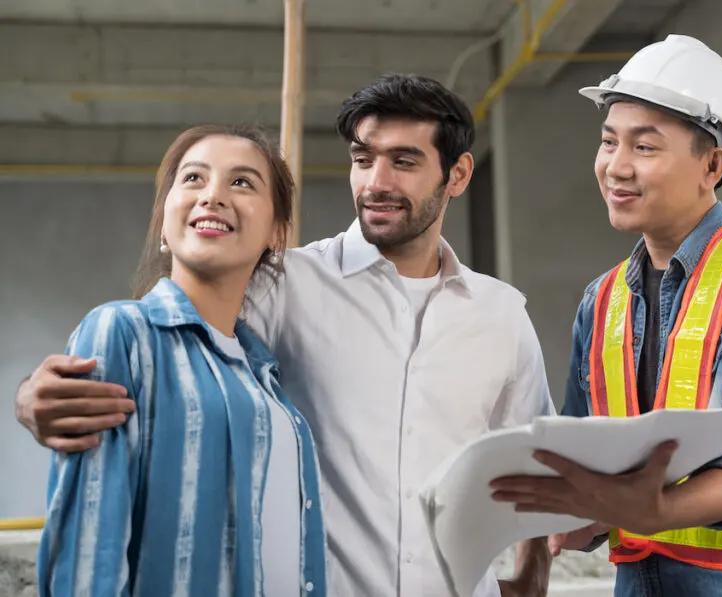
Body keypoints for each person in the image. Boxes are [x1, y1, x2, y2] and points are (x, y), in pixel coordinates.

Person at [16, 74, 553, 597]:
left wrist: (533, 577)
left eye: (404, 162)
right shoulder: (284, 283)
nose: (376, 182)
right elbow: (170, 338)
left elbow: (539, 458)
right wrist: (29, 396)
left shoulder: (501, 313)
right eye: (363, 159)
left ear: (457, 176)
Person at [488, 34, 722, 595]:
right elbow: (588, 471)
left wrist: (653, 508)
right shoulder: (601, 302)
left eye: (645, 147)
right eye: (609, 143)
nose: (616, 167)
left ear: (713, 164)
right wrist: (554, 532)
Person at [33, 124, 328, 596]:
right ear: (166, 223)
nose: (212, 196)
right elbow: (88, 555)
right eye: (193, 178)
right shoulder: (122, 333)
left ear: (276, 232)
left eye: (242, 182)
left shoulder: (264, 374)